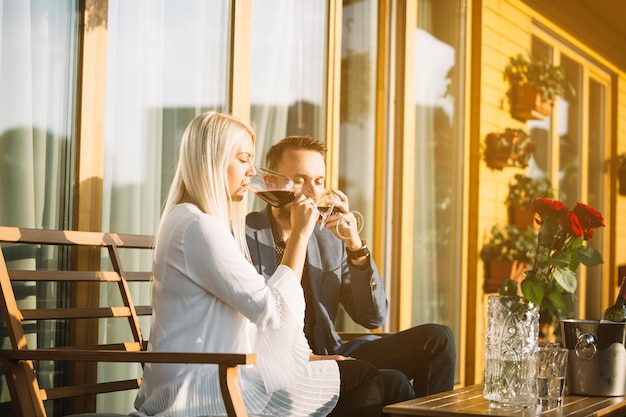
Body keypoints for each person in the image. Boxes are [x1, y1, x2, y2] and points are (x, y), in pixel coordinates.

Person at [132, 113, 384, 417]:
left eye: (318, 181)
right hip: (206, 390)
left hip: (216, 376)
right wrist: (300, 235)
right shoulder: (198, 228)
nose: (252, 172)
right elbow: (273, 313)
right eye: (243, 159)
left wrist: (312, 360)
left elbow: (372, 315)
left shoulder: (190, 221)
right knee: (369, 378)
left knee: (388, 372)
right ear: (212, 160)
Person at [246, 135, 457, 404]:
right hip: (287, 363)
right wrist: (315, 360)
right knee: (394, 382)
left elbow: (373, 316)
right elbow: (260, 326)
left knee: (438, 339)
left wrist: (355, 248)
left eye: (319, 181)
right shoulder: (244, 236)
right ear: (270, 182)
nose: (312, 191)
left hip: (332, 351)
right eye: (300, 180)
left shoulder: (327, 238)